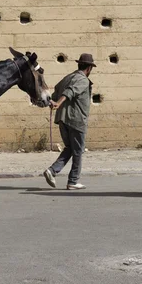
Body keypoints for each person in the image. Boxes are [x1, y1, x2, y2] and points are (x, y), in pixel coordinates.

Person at [43, 53, 95, 190]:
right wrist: (58, 103)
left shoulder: (68, 77)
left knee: (70, 148)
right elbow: (70, 92)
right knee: (78, 150)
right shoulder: (82, 80)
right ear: (89, 68)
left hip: (62, 119)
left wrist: (52, 102)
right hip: (76, 120)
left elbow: (56, 91)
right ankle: (73, 181)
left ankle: (52, 171)